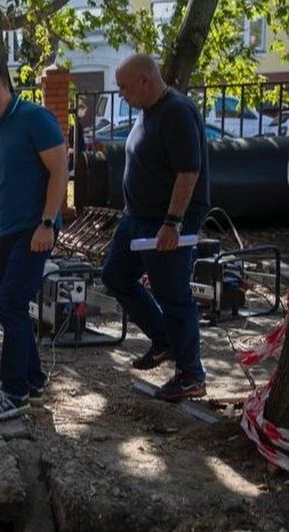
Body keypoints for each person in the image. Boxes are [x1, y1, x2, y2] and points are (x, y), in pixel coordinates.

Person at [0, 57, 68, 421]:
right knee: (12, 311)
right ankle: (34, 381)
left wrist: (47, 223)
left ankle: (13, 392)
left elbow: (59, 172)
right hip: (2, 232)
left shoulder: (35, 119)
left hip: (33, 230)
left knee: (10, 305)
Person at [101, 54, 208, 401]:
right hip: (137, 217)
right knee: (116, 276)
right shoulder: (149, 111)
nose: (121, 94)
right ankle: (164, 340)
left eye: (124, 87)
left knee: (173, 293)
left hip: (165, 220)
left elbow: (188, 172)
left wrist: (173, 223)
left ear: (146, 80)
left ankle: (191, 374)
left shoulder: (176, 111)